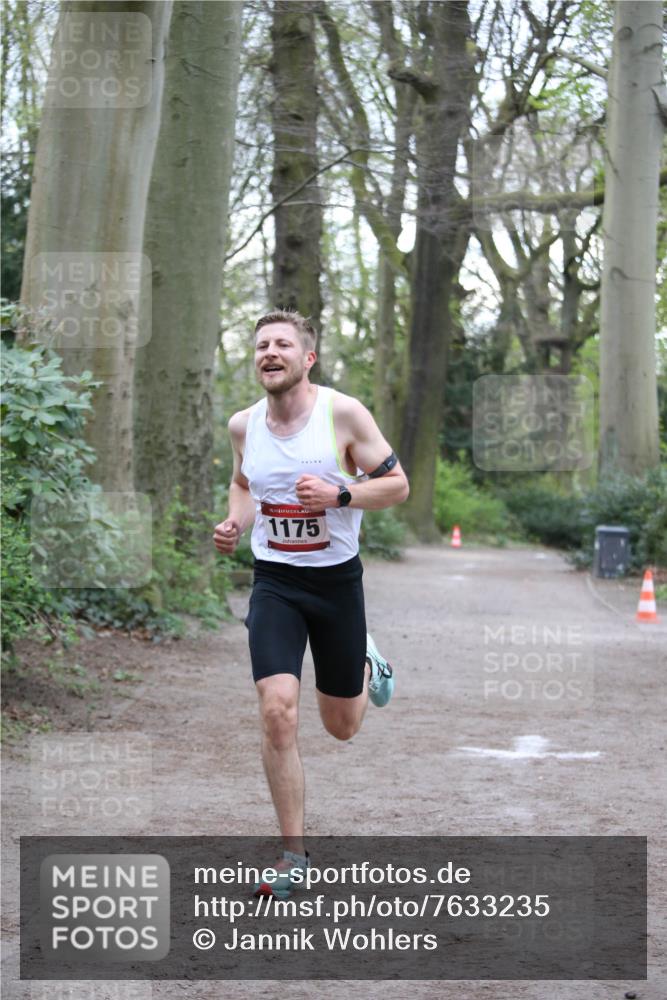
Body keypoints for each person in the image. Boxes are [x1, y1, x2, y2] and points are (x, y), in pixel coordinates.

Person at [213, 309, 409, 899]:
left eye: (282, 345)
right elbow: (245, 485)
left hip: (336, 584)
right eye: (261, 346)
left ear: (307, 358)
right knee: (278, 710)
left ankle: (367, 663)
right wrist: (233, 522)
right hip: (274, 582)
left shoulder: (342, 414)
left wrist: (341, 491)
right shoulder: (243, 425)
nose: (269, 353)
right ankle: (292, 855)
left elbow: (397, 486)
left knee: (341, 727)